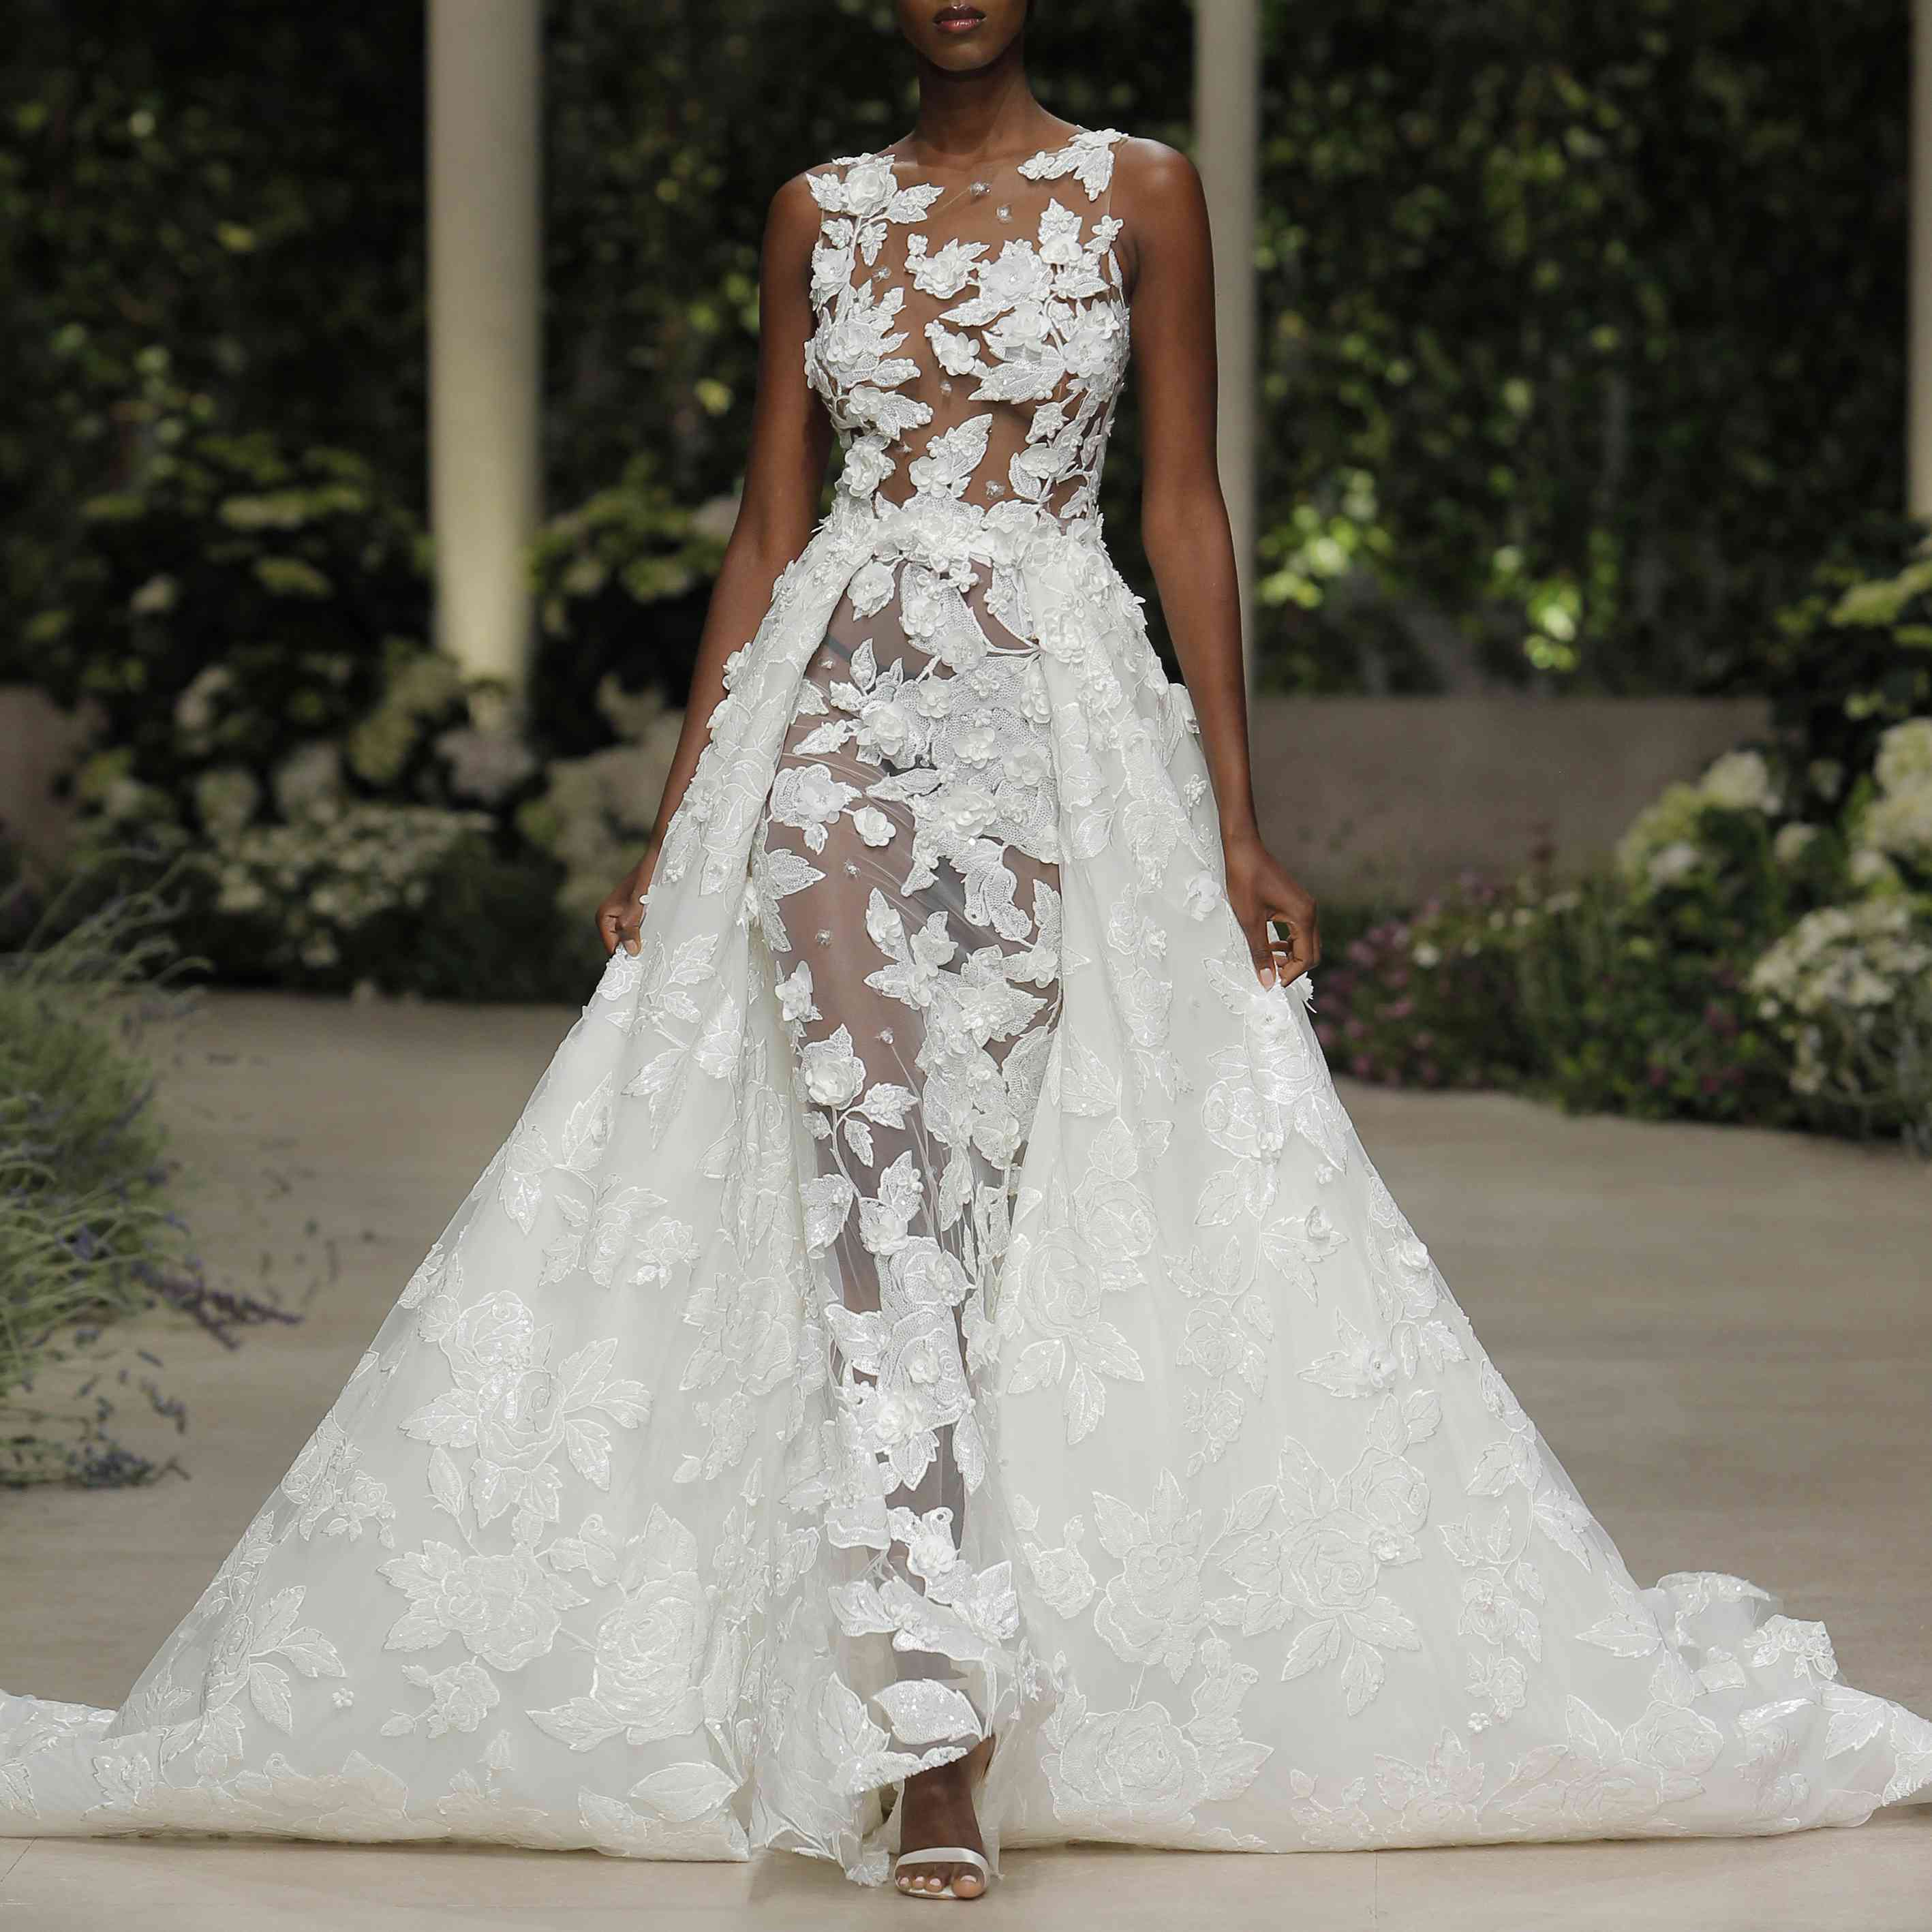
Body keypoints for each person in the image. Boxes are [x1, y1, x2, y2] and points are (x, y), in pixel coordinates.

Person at [3, 0, 1927, 1907]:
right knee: (878, 1189)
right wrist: (683, 818)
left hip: (1059, 727)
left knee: (1025, 1193)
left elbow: (1181, 503)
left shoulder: (1141, 194)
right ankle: (931, 1725)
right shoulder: (816, 210)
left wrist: (1236, 815)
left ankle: (992, 1636)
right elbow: (770, 522)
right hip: (834, 722)